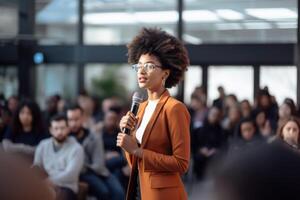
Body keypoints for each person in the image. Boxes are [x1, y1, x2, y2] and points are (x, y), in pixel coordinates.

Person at [117, 28, 190, 200]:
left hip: (162, 194)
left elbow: (181, 163)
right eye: (139, 66)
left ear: (165, 73)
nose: (141, 71)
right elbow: (134, 162)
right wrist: (128, 138)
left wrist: (137, 150)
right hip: (138, 189)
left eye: (149, 66)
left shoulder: (174, 108)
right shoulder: (140, 108)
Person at [67, 105, 125, 200]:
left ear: (83, 118)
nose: (73, 124)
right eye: (70, 120)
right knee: (104, 192)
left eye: (76, 119)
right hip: (82, 173)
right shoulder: (66, 139)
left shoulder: (93, 136)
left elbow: (99, 162)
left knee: (119, 193)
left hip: (99, 170)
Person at [33, 114, 84, 200]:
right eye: (56, 128)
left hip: (66, 187)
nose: (59, 132)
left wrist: (49, 181)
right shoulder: (43, 145)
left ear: (68, 129)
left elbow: (71, 175)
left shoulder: (77, 148)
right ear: (51, 130)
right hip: (45, 185)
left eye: (62, 128)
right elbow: (37, 165)